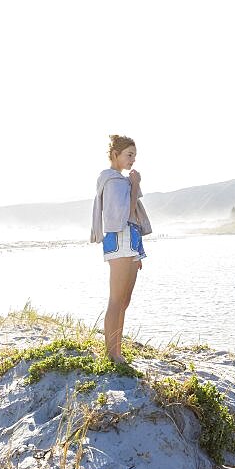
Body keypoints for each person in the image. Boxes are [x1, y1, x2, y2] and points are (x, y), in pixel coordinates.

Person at [89, 134, 152, 362]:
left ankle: (117, 351)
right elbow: (123, 215)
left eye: (134, 155)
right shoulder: (113, 180)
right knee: (116, 300)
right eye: (129, 154)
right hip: (120, 240)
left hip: (131, 242)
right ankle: (112, 354)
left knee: (124, 301)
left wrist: (137, 251)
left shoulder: (120, 179)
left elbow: (132, 215)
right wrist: (135, 185)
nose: (132, 159)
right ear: (115, 154)